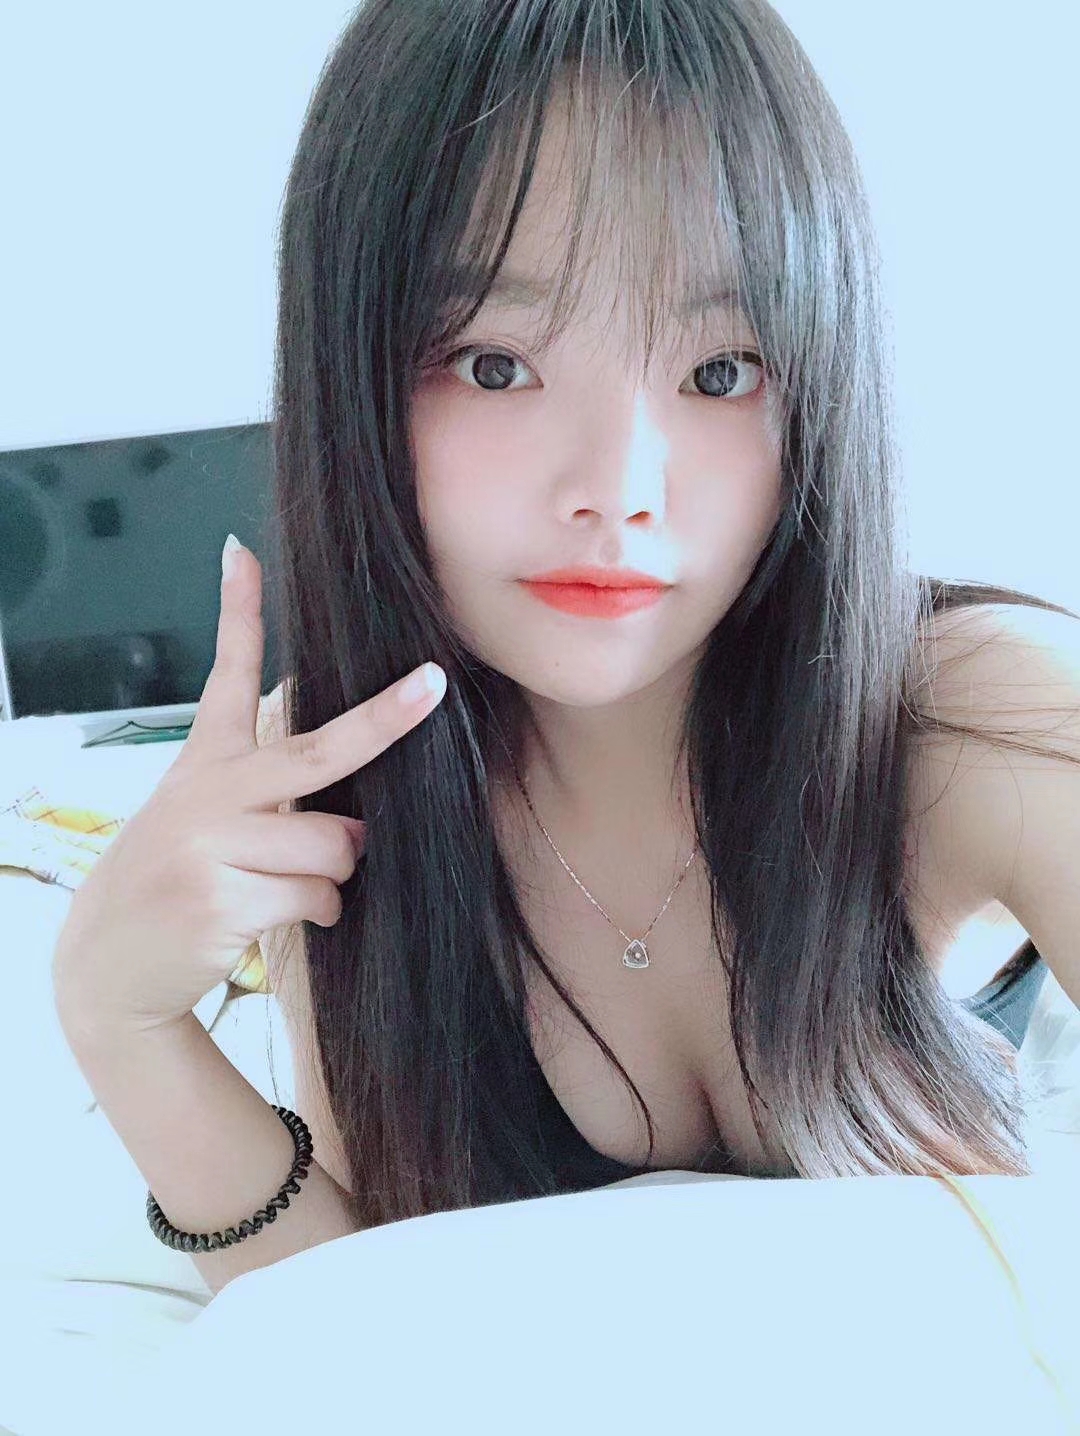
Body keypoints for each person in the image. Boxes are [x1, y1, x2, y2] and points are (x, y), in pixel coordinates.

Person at [55, 0, 1080, 1304]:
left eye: (723, 371)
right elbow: (362, 1321)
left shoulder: (975, 711)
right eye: (494, 365)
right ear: (349, 375)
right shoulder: (334, 785)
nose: (619, 490)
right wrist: (121, 1019)